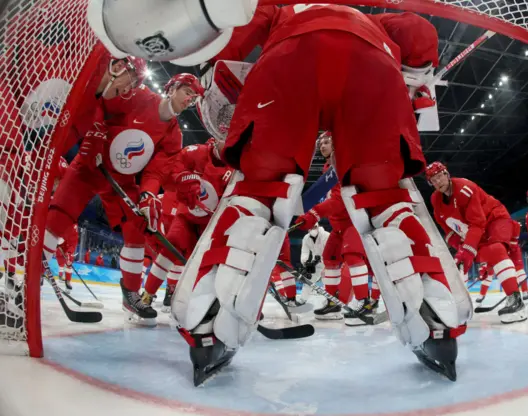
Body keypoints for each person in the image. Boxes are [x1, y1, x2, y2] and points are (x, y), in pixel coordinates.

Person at [90, 3, 471, 385]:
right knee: (384, 198)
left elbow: (236, 32)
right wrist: (413, 79)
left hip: (289, 59)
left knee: (259, 193)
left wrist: (219, 70)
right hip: (372, 64)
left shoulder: (281, 7)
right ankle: (438, 324)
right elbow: (420, 32)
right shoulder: (374, 18)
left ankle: (207, 327)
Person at [41, 73, 204, 326]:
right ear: (171, 89)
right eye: (187, 93)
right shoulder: (138, 95)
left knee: (136, 228)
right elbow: (101, 107)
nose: (190, 101)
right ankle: (24, 282)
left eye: (194, 99)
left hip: (121, 180)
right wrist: (93, 138)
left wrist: (148, 193)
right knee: (57, 219)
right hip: (88, 167)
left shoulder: (174, 135)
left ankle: (131, 295)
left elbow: (156, 170)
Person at [427, 161, 527, 324]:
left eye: (439, 177)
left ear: (446, 174)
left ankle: (516, 301)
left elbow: (478, 223)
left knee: (495, 250)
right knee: (477, 256)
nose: (438, 182)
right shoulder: (435, 200)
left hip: (495, 218)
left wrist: (467, 249)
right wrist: (461, 249)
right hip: (476, 229)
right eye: (433, 180)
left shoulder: (465, 188)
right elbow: (450, 231)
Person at [142, 140, 233, 314]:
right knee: (170, 248)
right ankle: (147, 295)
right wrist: (183, 177)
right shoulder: (196, 152)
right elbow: (174, 166)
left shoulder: (237, 168)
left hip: (212, 225)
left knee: (211, 263)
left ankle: (211, 304)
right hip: (187, 217)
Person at [295, 132, 378, 323]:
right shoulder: (328, 167)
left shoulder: (343, 164)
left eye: (327, 142)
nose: (322, 145)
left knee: (353, 257)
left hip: (353, 222)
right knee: (329, 257)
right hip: (338, 226)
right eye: (320, 143)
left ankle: (364, 304)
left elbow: (341, 201)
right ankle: (333, 303)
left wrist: (314, 213)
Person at [299, 223, 330, 303]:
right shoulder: (306, 238)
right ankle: (302, 300)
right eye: (310, 227)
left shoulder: (327, 235)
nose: (312, 229)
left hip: (329, 263)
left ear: (318, 226)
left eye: (314, 227)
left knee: (328, 282)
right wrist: (306, 263)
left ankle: (330, 302)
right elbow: (304, 252)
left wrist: (326, 264)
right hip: (315, 263)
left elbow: (330, 251)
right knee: (308, 280)